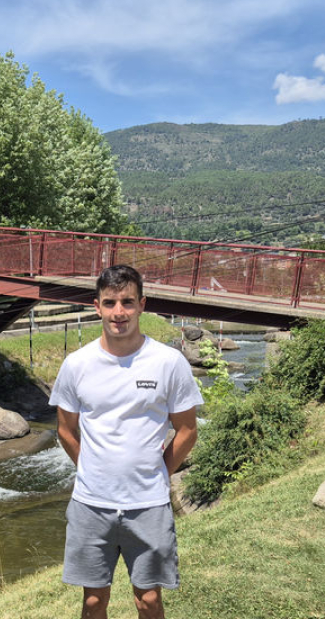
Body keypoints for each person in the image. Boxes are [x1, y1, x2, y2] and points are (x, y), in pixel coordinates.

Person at [50, 264, 201, 619]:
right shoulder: (77, 364)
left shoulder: (168, 363)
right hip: (91, 504)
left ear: (142, 304)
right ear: (97, 306)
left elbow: (187, 430)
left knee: (148, 601)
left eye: (128, 302)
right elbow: (65, 431)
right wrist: (92, 468)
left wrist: (160, 473)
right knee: (92, 602)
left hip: (148, 504)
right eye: (111, 302)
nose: (120, 312)